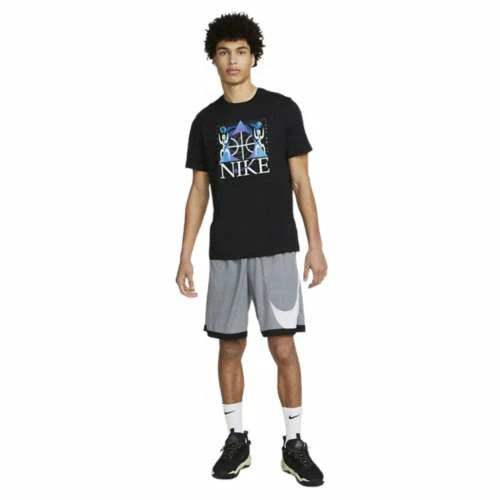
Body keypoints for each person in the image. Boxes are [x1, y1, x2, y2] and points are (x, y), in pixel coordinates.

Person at [176, 12, 328, 487]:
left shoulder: (283, 110)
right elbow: (198, 191)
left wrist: (316, 245)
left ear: (254, 56)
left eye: (241, 51)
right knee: (230, 346)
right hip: (226, 252)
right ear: (213, 59)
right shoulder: (205, 122)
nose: (232, 60)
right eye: (224, 52)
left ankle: (294, 444)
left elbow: (302, 182)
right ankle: (236, 439)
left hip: (278, 248)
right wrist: (184, 254)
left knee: (283, 345)